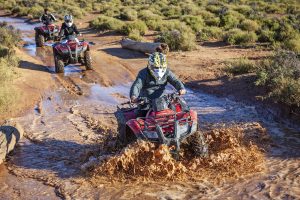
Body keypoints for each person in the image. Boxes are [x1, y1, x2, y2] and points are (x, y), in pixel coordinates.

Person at [130, 52, 186, 116]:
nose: (159, 70)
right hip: (146, 101)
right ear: (150, 65)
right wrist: (133, 96)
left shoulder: (167, 72)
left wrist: (181, 88)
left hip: (163, 100)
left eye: (161, 67)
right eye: (156, 67)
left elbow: (175, 80)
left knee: (175, 110)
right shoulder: (143, 73)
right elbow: (137, 85)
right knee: (141, 115)